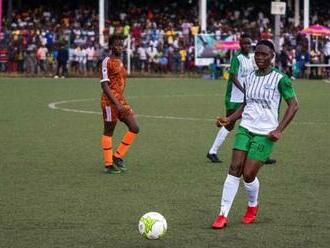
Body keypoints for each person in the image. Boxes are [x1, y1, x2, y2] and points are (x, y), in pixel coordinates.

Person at [211, 40, 299, 229]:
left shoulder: (280, 79)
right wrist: (230, 119)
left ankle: (252, 206)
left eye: (264, 54)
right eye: (257, 53)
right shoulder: (249, 77)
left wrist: (278, 130)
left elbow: (294, 105)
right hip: (246, 128)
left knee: (248, 174)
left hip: (265, 134)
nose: (259, 57)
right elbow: (246, 104)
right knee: (234, 168)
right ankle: (222, 214)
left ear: (272, 57)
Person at [99, 35, 140, 174]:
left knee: (134, 127)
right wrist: (117, 103)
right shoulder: (107, 61)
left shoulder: (120, 61)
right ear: (111, 46)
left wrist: (120, 102)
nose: (120, 47)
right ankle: (108, 164)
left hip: (120, 101)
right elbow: (104, 85)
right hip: (109, 102)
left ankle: (117, 156)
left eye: (121, 45)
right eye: (117, 45)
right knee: (109, 131)